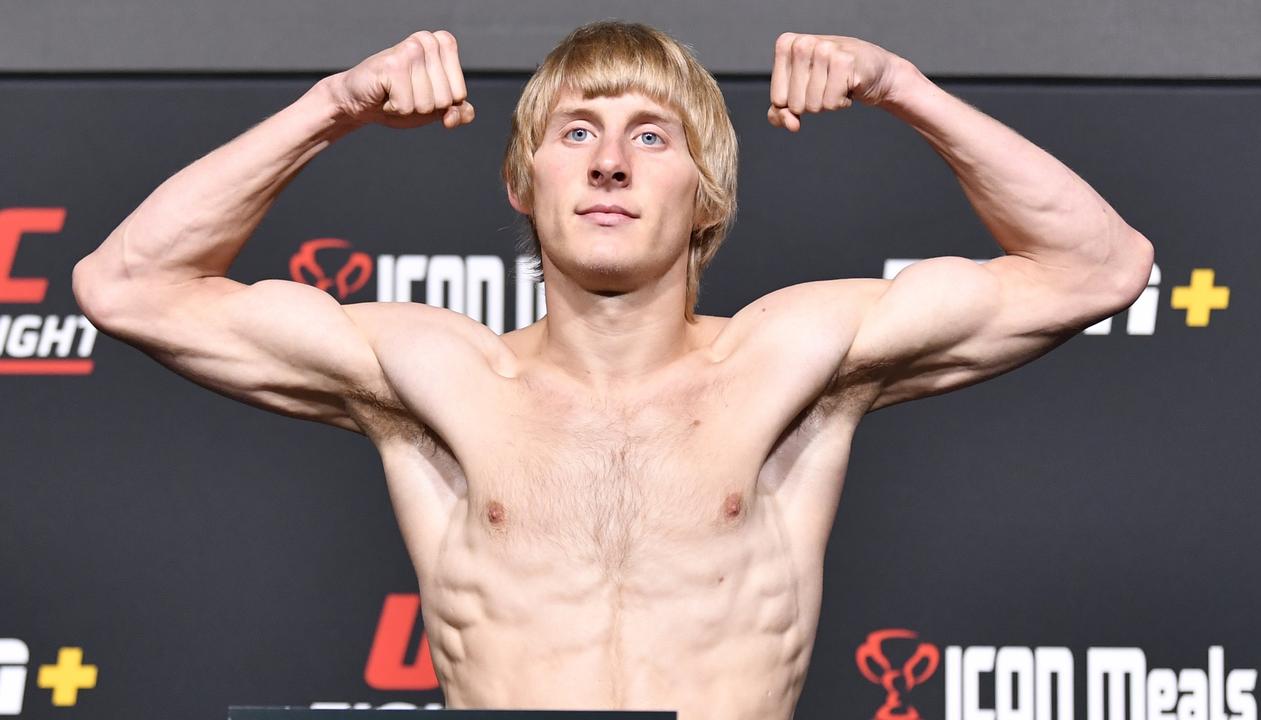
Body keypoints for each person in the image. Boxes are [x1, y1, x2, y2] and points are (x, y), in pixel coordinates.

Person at [72, 20, 1153, 720]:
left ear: (707, 194)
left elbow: (1099, 266)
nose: (605, 162)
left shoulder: (791, 359)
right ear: (521, 184)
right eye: (575, 132)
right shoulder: (435, 379)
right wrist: (329, 109)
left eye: (651, 138)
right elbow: (129, 287)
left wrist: (901, 87)